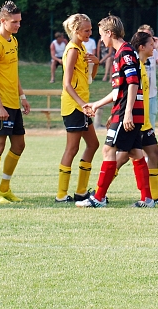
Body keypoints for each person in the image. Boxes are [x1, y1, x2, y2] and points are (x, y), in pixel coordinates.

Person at [75, 15, 152, 208]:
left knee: (108, 149)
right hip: (127, 110)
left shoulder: (125, 53)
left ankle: (99, 197)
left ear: (110, 33)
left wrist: (126, 113)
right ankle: (147, 199)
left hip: (129, 112)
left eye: (102, 34)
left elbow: (134, 83)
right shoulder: (122, 53)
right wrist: (97, 104)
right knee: (135, 153)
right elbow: (119, 90)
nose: (101, 39)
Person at [110, 31, 158, 204]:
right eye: (151, 44)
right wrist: (118, 113)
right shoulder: (137, 66)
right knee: (122, 157)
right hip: (135, 121)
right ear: (142, 47)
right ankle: (102, 192)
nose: (154, 47)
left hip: (144, 122)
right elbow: (120, 92)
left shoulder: (143, 64)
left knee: (154, 154)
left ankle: (155, 196)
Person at [0, 1, 31, 204]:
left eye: (19, 21)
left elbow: (13, 72)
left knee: (19, 145)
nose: (18, 25)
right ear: (3, 20)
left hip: (13, 102)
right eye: (14, 22)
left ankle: (5, 187)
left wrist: (22, 96)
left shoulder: (13, 41)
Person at [55, 14, 100, 203]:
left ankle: (81, 192)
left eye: (90, 29)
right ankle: (61, 195)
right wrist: (82, 104)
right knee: (72, 148)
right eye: (86, 30)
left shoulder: (81, 48)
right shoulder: (73, 49)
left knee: (93, 144)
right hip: (74, 106)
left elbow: (89, 79)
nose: (90, 33)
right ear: (75, 30)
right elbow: (67, 84)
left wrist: (96, 63)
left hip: (82, 105)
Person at [136, 25, 158, 128]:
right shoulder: (134, 53)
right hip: (139, 96)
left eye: (150, 36)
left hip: (151, 96)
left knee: (150, 129)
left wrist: (157, 47)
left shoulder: (153, 52)